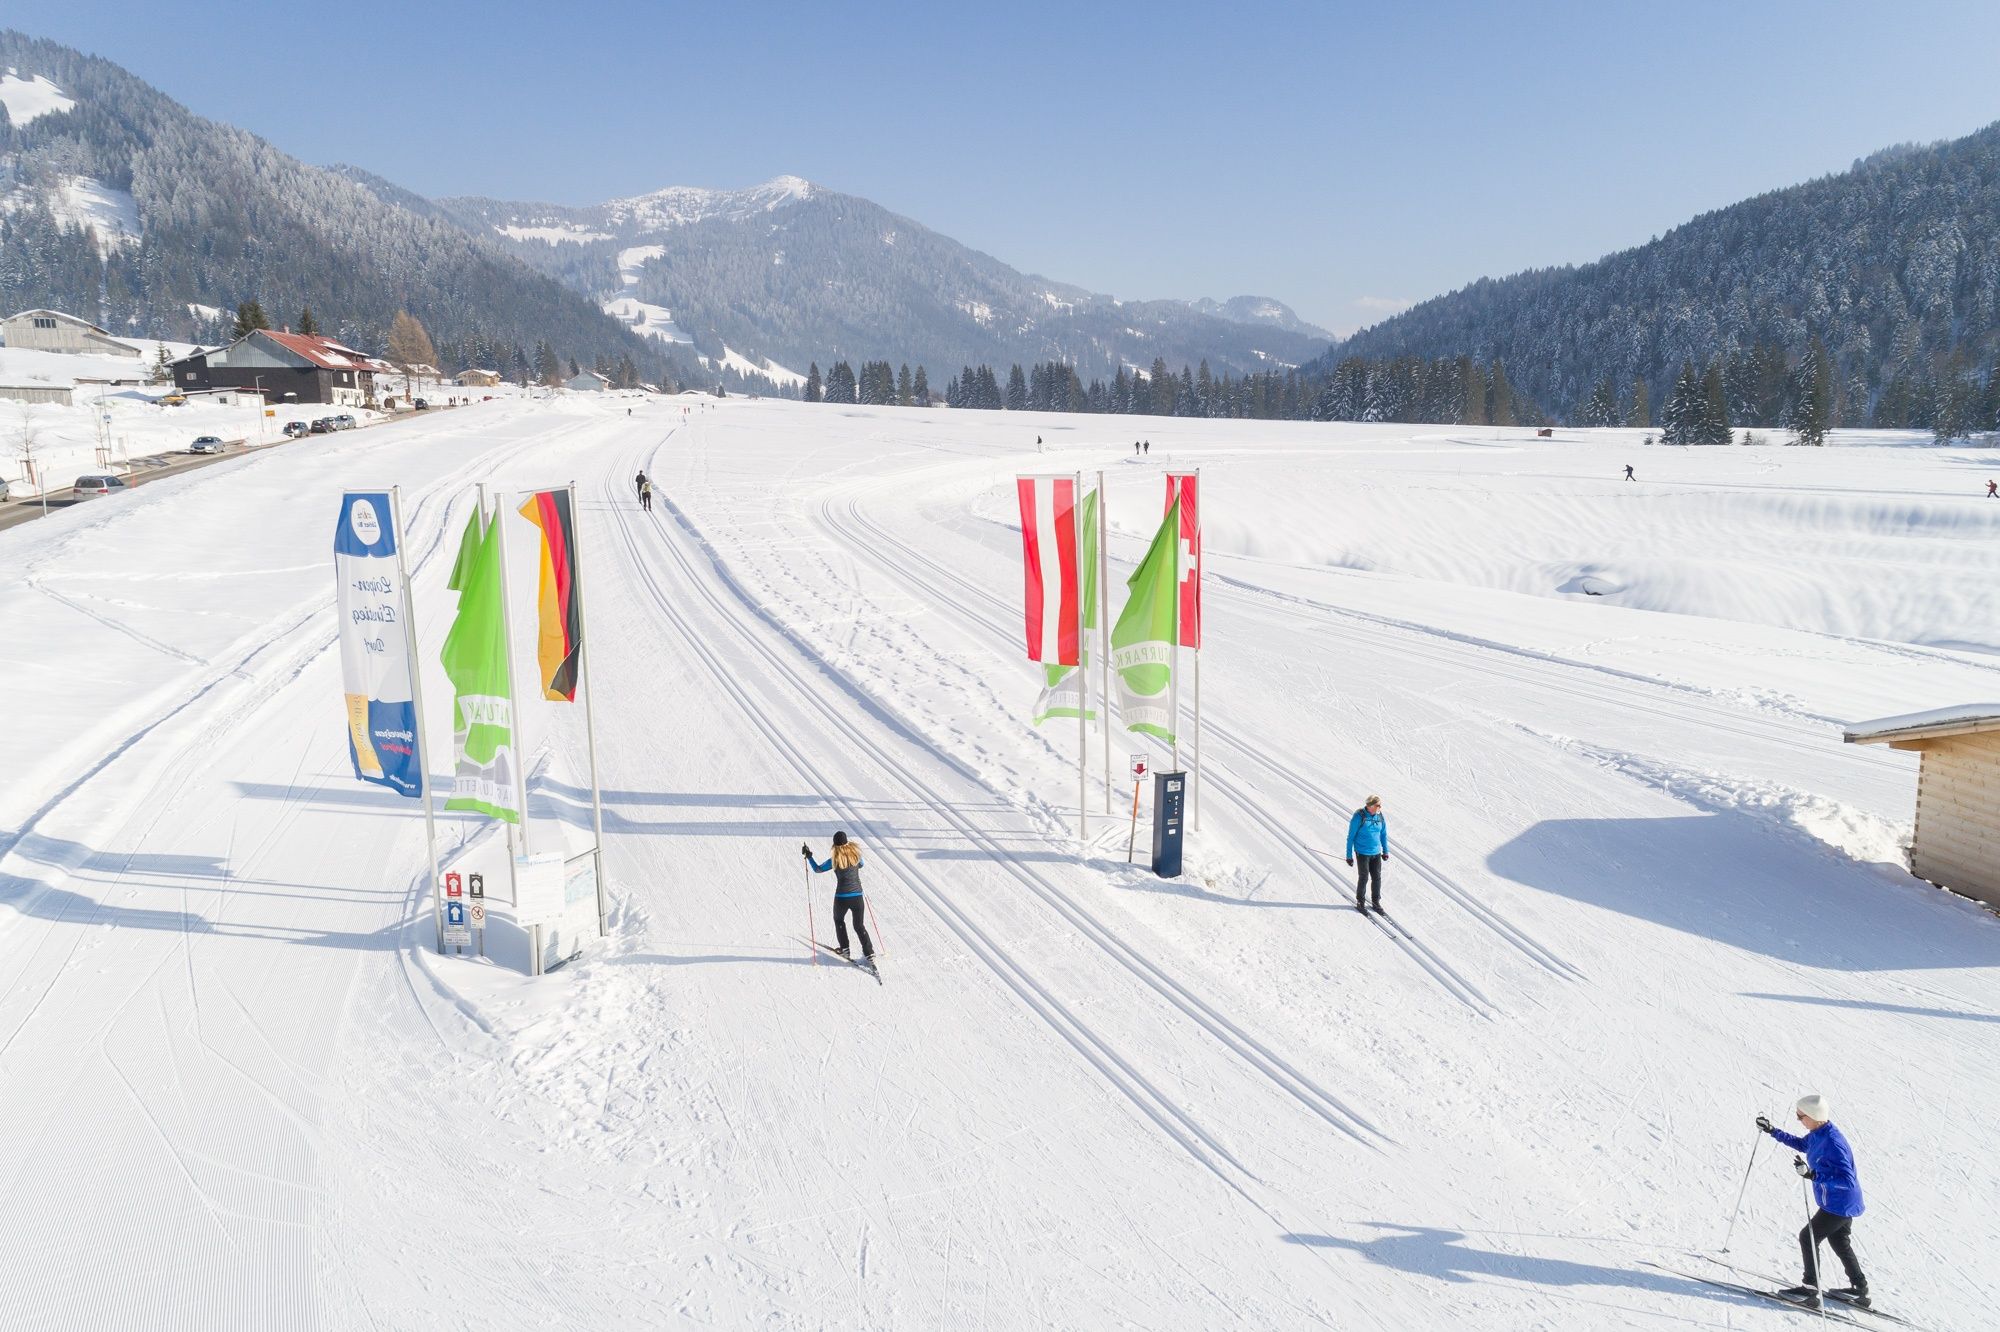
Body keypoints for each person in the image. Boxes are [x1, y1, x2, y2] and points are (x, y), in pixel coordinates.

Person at [1757, 1094, 1868, 1309]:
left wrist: (1813, 1176)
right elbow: (1800, 1144)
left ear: (1814, 1116)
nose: (1799, 1120)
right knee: (1839, 1241)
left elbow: (1847, 1178)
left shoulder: (1833, 1142)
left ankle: (1810, 1290)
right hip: (1838, 1202)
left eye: (1801, 1117)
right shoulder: (1818, 1132)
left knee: (1807, 1237)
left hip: (1839, 1202)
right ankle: (1859, 1290)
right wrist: (1772, 1130)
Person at [804, 831, 873, 962]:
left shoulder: (834, 860)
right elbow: (862, 865)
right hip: (857, 896)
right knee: (859, 926)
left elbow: (818, 869)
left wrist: (809, 856)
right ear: (847, 842)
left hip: (842, 897)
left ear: (834, 845)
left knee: (839, 920)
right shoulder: (856, 856)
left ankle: (845, 949)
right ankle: (869, 952)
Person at [1344, 795, 1389, 912]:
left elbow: (1383, 834)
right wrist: (1349, 856)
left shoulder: (1380, 816)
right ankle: (1360, 901)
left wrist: (1385, 851)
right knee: (1364, 877)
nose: (1380, 807)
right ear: (1370, 806)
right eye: (1378, 805)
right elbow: (1350, 837)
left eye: (1380, 805)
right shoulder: (1359, 816)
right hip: (1362, 852)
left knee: (1377, 877)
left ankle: (1376, 901)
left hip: (1376, 852)